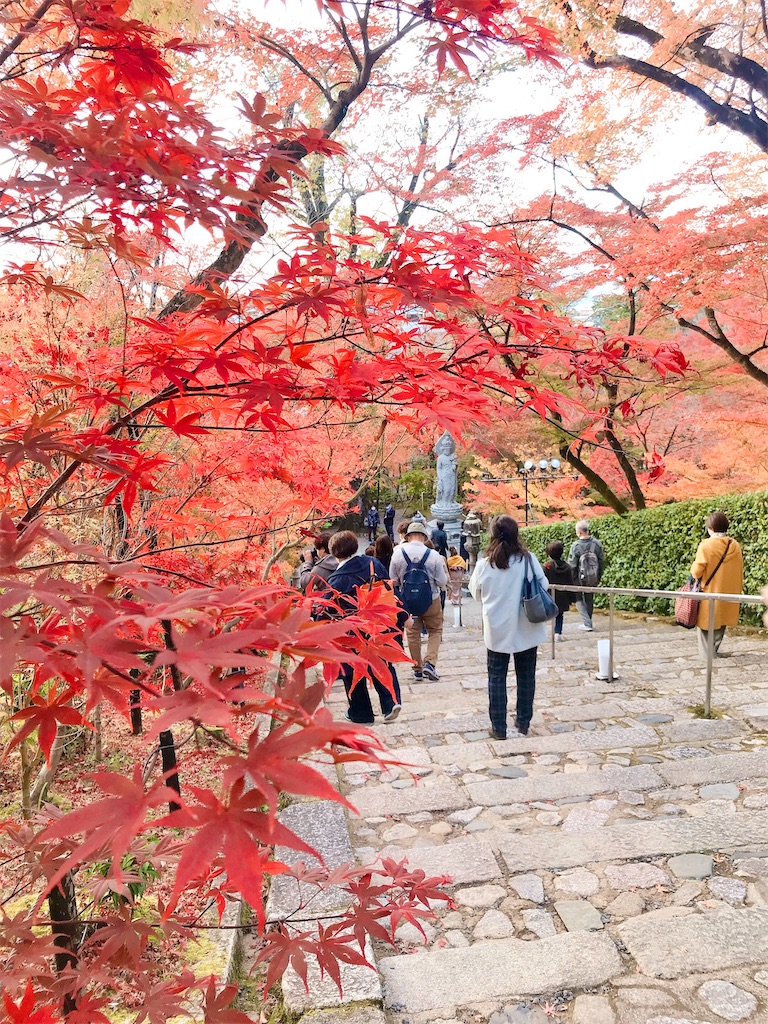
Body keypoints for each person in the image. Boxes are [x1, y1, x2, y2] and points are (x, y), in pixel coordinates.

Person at [469, 515, 548, 740]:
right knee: (526, 676)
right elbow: (544, 585)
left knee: (496, 677)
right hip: (527, 626)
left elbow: (475, 593)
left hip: (496, 629)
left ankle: (499, 728)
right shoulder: (529, 560)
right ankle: (522, 722)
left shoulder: (485, 565)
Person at [324, 531, 402, 724]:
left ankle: (360, 712)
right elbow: (389, 590)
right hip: (378, 624)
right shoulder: (373, 564)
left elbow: (326, 609)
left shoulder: (337, 580)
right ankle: (391, 701)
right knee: (381, 662)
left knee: (351, 669)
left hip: (352, 632)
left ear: (334, 553)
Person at [389, 521, 448, 680]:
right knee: (435, 630)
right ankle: (430, 663)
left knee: (413, 633)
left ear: (408, 537)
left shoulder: (397, 554)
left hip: (407, 602)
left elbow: (392, 581)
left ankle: (417, 668)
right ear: (423, 536)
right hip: (431, 599)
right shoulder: (433, 555)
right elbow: (442, 581)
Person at [691, 511, 744, 659]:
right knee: (721, 623)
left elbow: (696, 571)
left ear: (711, 528)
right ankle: (713, 650)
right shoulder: (735, 545)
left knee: (704, 626)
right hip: (729, 593)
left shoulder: (706, 545)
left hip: (710, 592)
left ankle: (706, 656)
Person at [567, 519, 605, 631]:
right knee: (589, 598)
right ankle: (588, 622)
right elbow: (602, 561)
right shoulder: (597, 543)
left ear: (579, 532)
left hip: (579, 578)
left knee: (578, 599)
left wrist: (572, 580)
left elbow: (572, 565)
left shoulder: (576, 546)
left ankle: (587, 623)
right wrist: (598, 576)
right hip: (593, 577)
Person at [544, 539, 574, 641]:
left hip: (549, 596)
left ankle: (543, 632)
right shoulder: (568, 567)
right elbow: (571, 583)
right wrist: (572, 598)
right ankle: (558, 633)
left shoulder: (547, 567)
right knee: (560, 615)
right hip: (563, 597)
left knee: (545, 614)